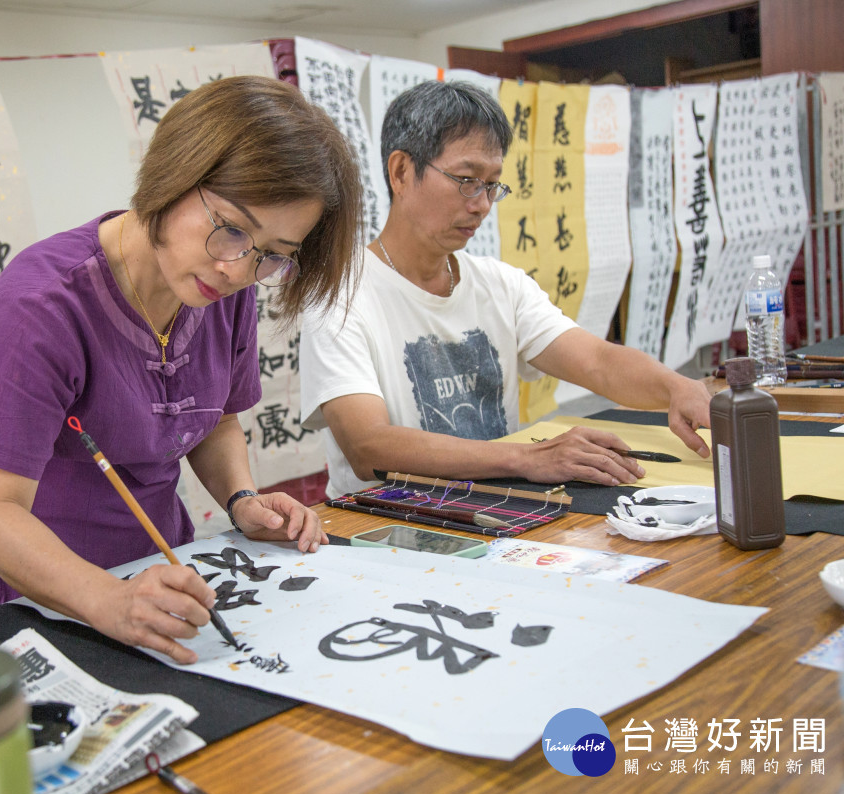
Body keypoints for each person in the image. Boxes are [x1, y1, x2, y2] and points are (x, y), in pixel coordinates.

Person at [0, 75, 363, 664]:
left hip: (153, 566)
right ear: (175, 173)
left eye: (272, 256)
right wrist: (108, 599)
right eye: (232, 228)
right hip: (41, 588)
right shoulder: (42, 306)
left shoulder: (219, 288)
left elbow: (212, 419)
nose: (239, 269)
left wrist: (243, 500)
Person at [299, 80, 711, 500]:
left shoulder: (501, 284)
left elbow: (598, 362)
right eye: (466, 179)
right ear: (401, 172)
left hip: (498, 513)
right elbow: (369, 448)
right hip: (387, 528)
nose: (481, 204)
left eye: (492, 184)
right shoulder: (338, 296)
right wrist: (528, 458)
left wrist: (677, 388)